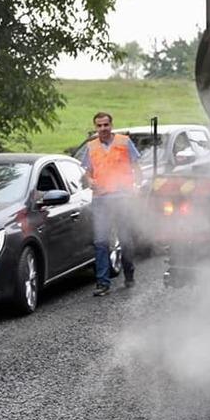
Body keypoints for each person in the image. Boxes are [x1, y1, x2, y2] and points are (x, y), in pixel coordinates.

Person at [81, 112, 142, 296]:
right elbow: (87, 172)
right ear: (95, 127)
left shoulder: (124, 142)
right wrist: (89, 181)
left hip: (123, 198)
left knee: (125, 240)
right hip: (101, 199)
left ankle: (129, 274)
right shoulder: (91, 147)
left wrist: (137, 187)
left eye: (105, 125)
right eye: (99, 126)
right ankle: (103, 283)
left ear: (111, 125)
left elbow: (136, 167)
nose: (103, 129)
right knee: (100, 241)